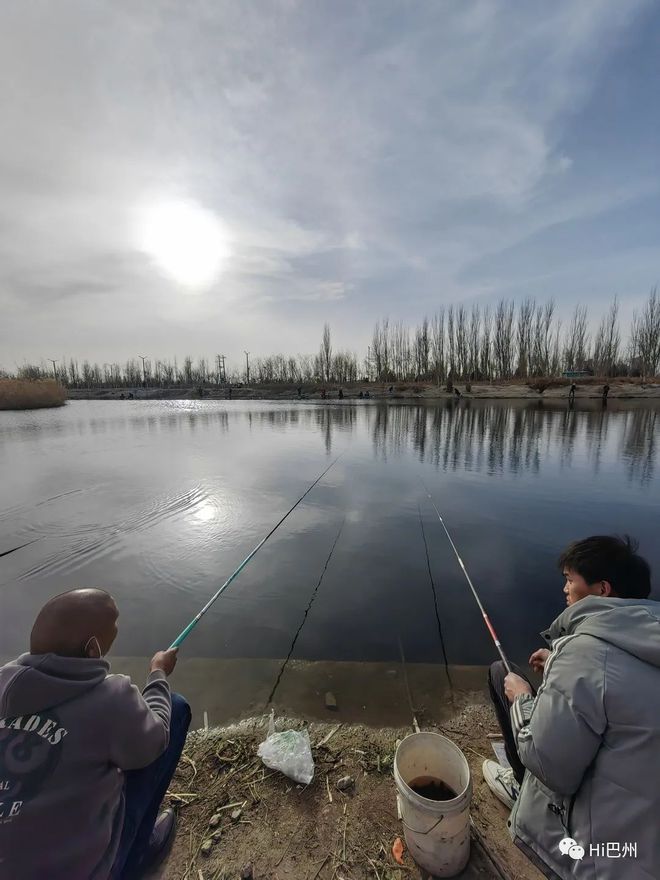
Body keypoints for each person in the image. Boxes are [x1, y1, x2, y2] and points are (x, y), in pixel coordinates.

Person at [483, 536, 659, 879]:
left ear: (602, 589)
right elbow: (615, 689)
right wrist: (558, 666)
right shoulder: (645, 640)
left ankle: (521, 792)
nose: (565, 589)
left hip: (599, 855)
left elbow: (547, 763)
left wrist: (522, 698)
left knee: (501, 675)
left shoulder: (586, 652)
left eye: (570, 580)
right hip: (646, 836)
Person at [0, 589, 191, 880]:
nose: (117, 627)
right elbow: (154, 739)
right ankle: (137, 853)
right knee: (173, 710)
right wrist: (157, 674)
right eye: (115, 624)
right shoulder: (110, 697)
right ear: (92, 649)